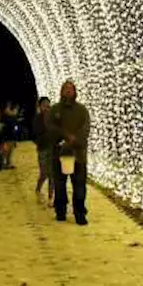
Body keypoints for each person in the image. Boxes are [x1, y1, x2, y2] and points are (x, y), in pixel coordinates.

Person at [50, 80, 90, 225]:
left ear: (74, 91)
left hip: (78, 155)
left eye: (70, 89)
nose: (68, 91)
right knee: (60, 185)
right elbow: (50, 128)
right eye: (65, 89)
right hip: (59, 154)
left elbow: (85, 129)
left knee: (79, 185)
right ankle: (60, 210)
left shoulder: (81, 110)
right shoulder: (55, 110)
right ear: (61, 91)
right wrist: (64, 137)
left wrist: (74, 140)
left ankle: (79, 212)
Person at [31, 96, 54, 203]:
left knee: (52, 174)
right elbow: (36, 134)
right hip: (43, 149)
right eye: (44, 104)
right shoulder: (37, 119)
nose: (47, 106)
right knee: (44, 173)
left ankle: (51, 197)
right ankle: (38, 187)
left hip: (53, 149)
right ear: (40, 106)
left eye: (48, 104)